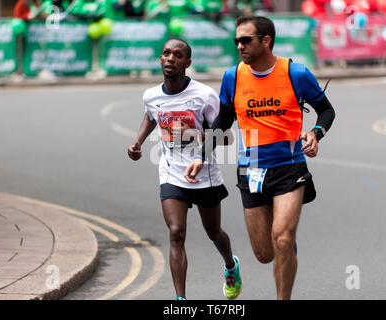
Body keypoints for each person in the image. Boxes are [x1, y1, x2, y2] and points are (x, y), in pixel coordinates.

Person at [185, 16, 336, 300]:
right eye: (237, 41)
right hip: (250, 170)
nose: (240, 45)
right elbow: (223, 120)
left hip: (290, 168)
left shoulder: (296, 74)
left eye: (246, 40)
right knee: (265, 253)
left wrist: (316, 132)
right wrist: (202, 157)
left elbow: (327, 111)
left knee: (282, 237)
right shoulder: (233, 76)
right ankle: (285, 248)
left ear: (266, 41)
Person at [127, 38, 242, 300]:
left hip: (205, 174)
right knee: (176, 232)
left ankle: (230, 264)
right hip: (171, 173)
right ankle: (181, 300)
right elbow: (150, 116)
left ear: (187, 63)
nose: (170, 58)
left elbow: (225, 136)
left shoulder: (204, 95)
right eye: (166, 53)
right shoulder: (151, 95)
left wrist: (197, 134)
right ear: (160, 59)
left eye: (177, 55)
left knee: (213, 232)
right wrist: (137, 143)